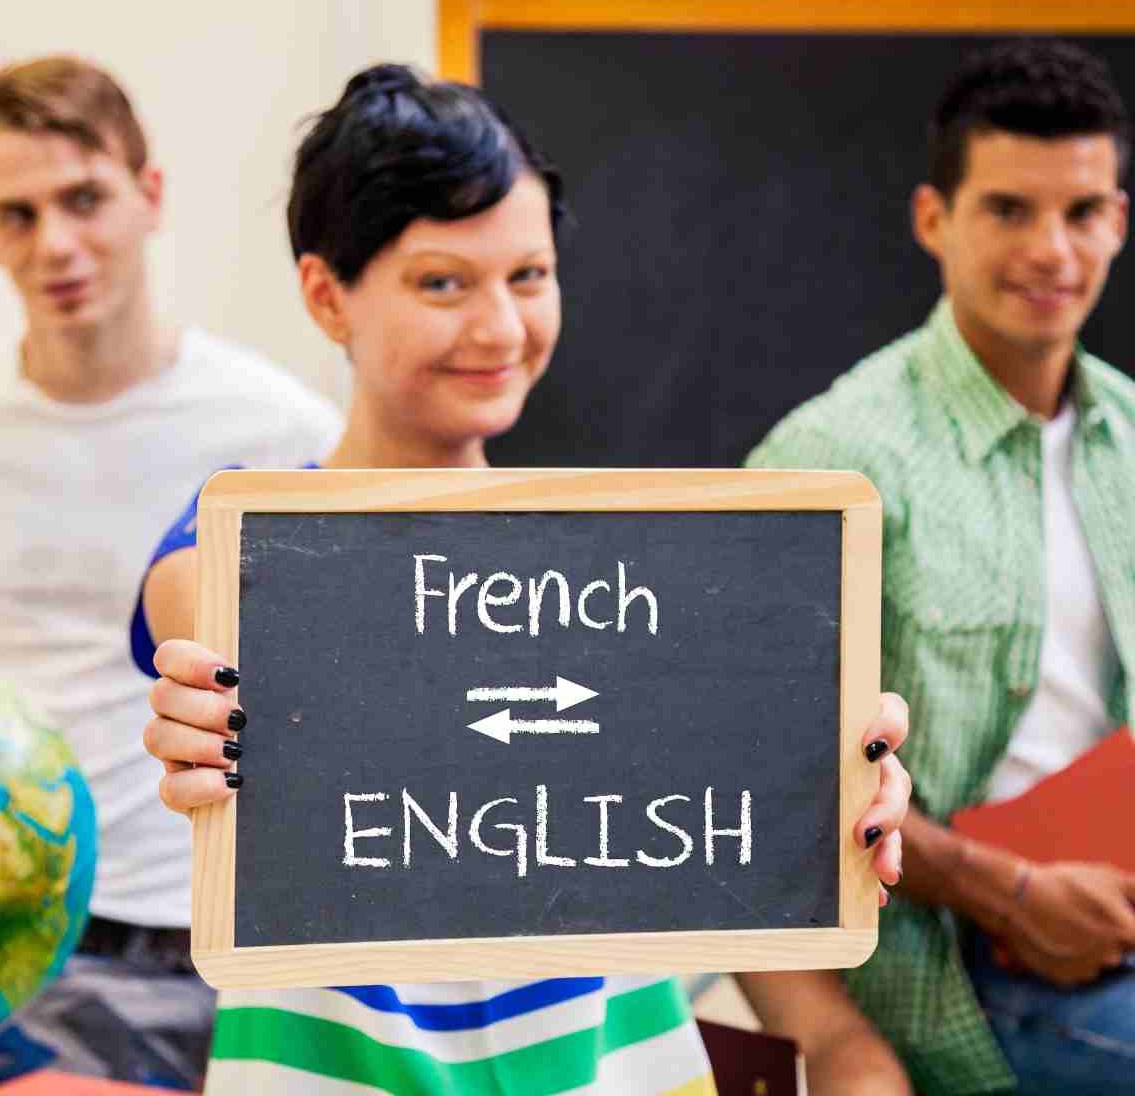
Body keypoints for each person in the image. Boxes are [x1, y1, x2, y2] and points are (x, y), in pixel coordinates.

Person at [138, 62, 913, 1095]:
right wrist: (212, 718)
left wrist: (824, 797)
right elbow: (205, 626)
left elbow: (714, 829)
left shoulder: (632, 569)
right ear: (328, 295)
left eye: (530, 276)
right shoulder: (243, 546)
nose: (501, 328)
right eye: (443, 282)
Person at [0, 56, 343, 1092]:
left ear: (149, 194)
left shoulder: (279, 425)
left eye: (85, 199)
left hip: (237, 929)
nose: (56, 244)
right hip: (22, 934)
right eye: (16, 214)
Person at [747, 39, 1135, 1096]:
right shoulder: (834, 457)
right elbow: (751, 772)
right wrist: (1007, 891)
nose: (1053, 250)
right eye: (1009, 209)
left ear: (1119, 220)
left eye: (1083, 211)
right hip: (960, 961)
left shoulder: (1132, 439)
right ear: (935, 220)